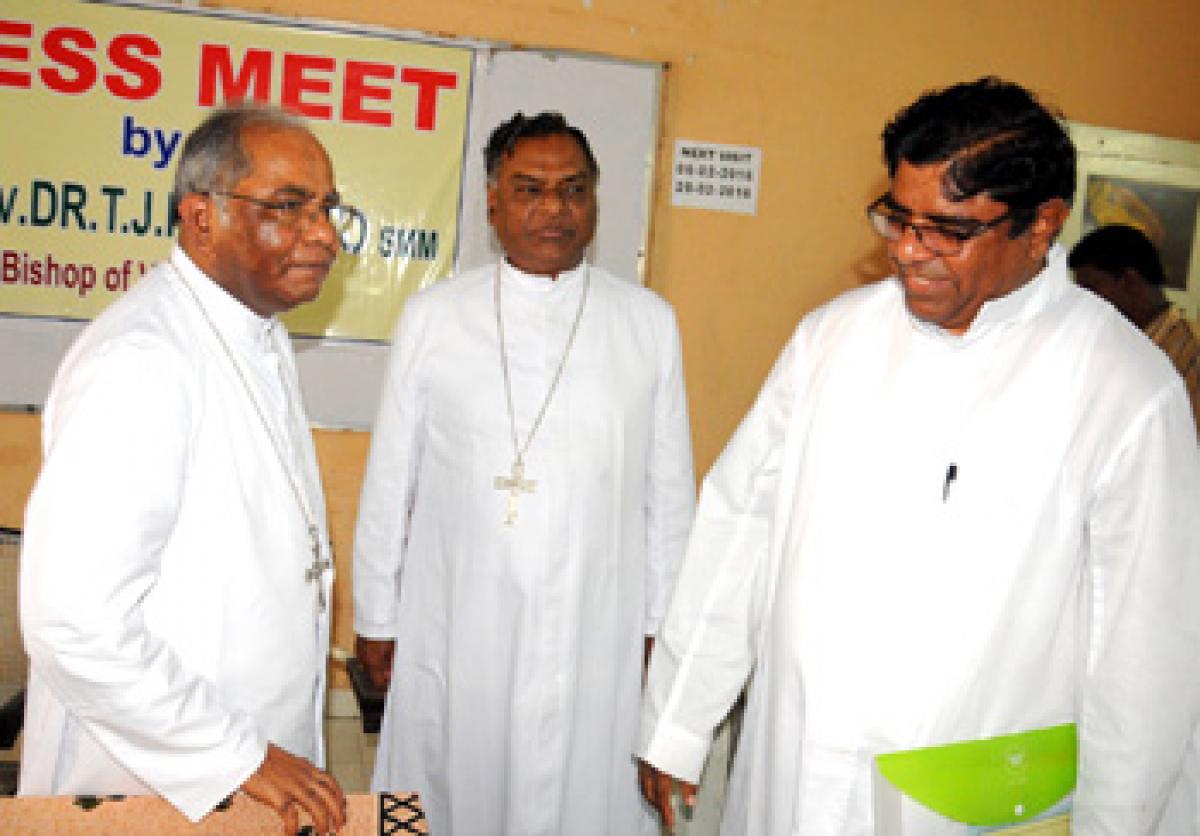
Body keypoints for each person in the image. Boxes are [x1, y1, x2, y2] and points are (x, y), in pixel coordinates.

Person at [638, 77, 1200, 835]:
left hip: (970, 801)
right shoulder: (833, 338)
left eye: (948, 230)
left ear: (1041, 227)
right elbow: (741, 523)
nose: (908, 250)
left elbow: (1143, 666)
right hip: (796, 771)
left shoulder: (1123, 391)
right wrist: (679, 720)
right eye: (898, 218)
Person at [353, 111, 695, 834]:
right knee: (443, 779)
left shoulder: (646, 322)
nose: (553, 209)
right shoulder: (435, 316)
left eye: (573, 190)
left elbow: (669, 495)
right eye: (529, 189)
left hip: (596, 619)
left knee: (582, 791)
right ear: (493, 201)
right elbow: (392, 479)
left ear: (596, 201)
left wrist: (663, 628)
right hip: (458, 616)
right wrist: (376, 617)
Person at [19, 104, 349, 832]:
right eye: (288, 208)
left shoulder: (251, 331)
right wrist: (237, 755)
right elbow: (72, 621)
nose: (323, 234)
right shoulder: (142, 359)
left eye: (326, 207)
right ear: (201, 216)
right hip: (147, 779)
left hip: (239, 776)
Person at [1069, 223, 1200, 433]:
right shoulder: (1116, 342)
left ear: (1129, 281)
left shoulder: (1190, 355)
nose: (1084, 301)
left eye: (1091, 289)